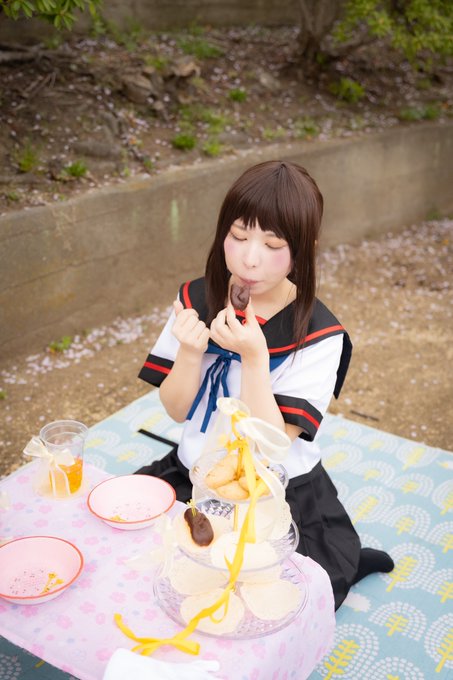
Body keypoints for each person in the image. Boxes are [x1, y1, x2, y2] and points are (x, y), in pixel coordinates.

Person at [136, 160, 393, 609]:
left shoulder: (320, 334)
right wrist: (191, 352)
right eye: (238, 236)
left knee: (278, 595)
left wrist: (255, 358)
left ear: (304, 250)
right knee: (154, 561)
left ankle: (345, 560)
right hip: (197, 474)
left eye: (273, 244)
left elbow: (270, 447)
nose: (249, 258)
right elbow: (176, 410)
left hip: (277, 491)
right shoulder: (194, 299)